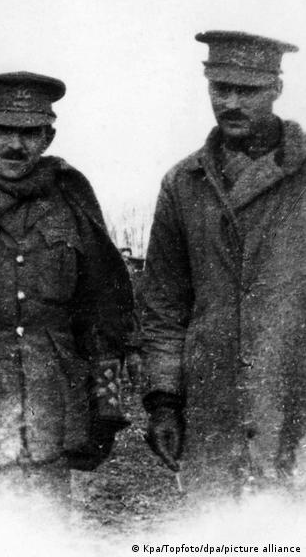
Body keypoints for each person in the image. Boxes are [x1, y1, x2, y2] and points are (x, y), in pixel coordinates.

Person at [0, 72, 134, 507]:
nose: (15, 146)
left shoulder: (71, 206)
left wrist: (108, 406)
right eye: (3, 130)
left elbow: (102, 314)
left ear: (48, 136)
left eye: (30, 133)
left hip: (47, 413)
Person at [142, 31, 306, 498]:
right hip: (213, 411)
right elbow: (164, 308)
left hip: (293, 402)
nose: (231, 103)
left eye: (247, 91)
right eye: (220, 89)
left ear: (277, 87)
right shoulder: (183, 183)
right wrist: (163, 403)